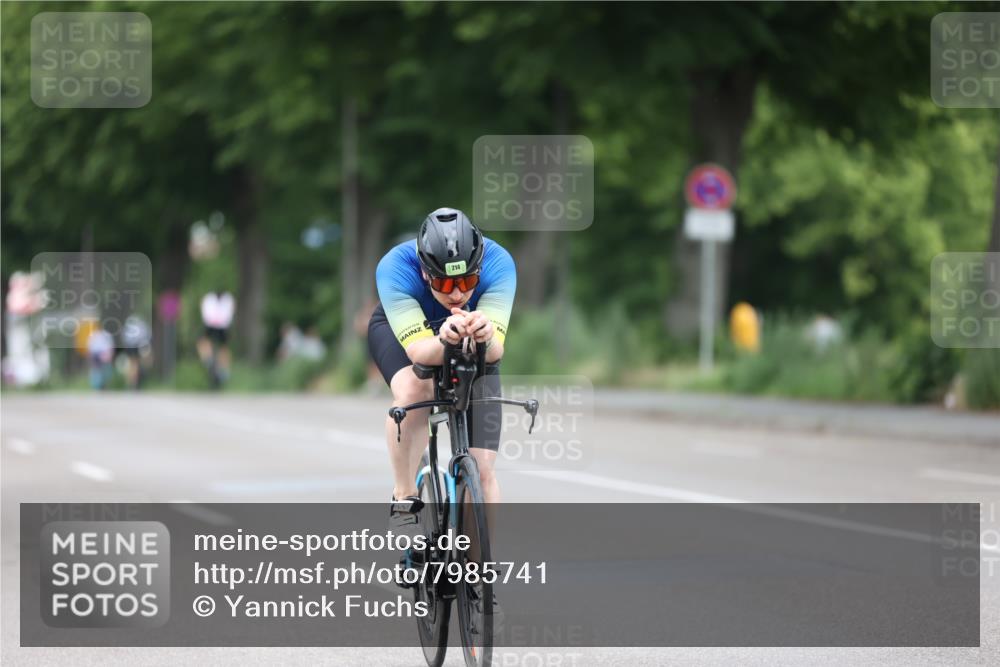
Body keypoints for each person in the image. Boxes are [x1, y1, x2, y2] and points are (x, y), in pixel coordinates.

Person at [368, 208, 516, 532]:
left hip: (470, 341)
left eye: (467, 281)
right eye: (444, 282)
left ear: (479, 267)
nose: (457, 293)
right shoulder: (395, 267)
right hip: (404, 333)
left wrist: (485, 334)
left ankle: (476, 571)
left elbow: (494, 352)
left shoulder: (499, 262)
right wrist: (444, 338)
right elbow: (420, 352)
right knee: (414, 390)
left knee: (484, 472)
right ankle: (404, 492)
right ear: (424, 273)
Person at [197, 290, 235, 388]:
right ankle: (212, 361)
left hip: (216, 325)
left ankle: (215, 363)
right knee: (223, 347)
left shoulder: (214, 298)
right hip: (220, 326)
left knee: (206, 342)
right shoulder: (222, 299)